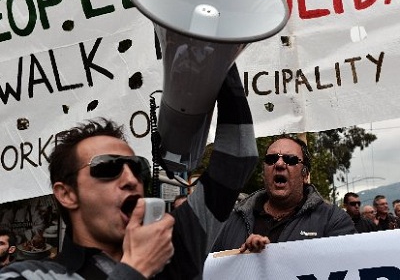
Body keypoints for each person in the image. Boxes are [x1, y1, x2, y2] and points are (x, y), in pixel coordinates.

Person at [0, 64, 258, 279]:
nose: (130, 179)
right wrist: (136, 268)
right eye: (107, 168)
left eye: (137, 168)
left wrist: (219, 56)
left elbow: (237, 158)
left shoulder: (174, 242)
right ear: (66, 193)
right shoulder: (33, 275)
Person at [212, 136, 356, 253]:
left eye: (290, 160)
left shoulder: (332, 220)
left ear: (305, 175)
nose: (279, 164)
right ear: (264, 172)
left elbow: (349, 266)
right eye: (271, 159)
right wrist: (240, 259)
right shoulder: (231, 221)